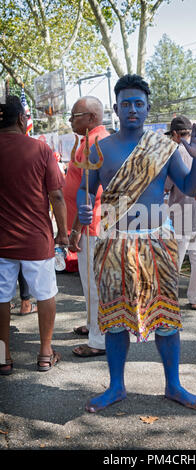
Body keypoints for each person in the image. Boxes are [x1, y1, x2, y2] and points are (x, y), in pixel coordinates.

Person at [77, 74, 196, 412]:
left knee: (166, 318)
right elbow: (85, 187)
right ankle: (116, 386)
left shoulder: (164, 147)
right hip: (114, 243)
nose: (132, 109)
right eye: (126, 104)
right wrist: (83, 204)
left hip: (158, 242)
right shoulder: (100, 148)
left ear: (148, 107)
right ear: (116, 109)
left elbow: (190, 189)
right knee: (115, 318)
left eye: (138, 103)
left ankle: (173, 384)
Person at [0, 95, 68, 375]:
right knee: (45, 294)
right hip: (36, 240)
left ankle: (3, 358)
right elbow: (57, 196)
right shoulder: (41, 149)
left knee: (1, 298)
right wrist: (63, 233)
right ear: (21, 119)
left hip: (1, 243)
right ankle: (44, 353)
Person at [63, 96, 109, 357]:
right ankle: (93, 326)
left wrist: (77, 229)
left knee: (94, 284)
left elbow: (91, 193)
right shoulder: (90, 140)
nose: (71, 120)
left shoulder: (95, 143)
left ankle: (98, 340)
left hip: (92, 225)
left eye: (74, 116)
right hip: (90, 225)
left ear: (91, 118)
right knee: (89, 282)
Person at [165, 116, 196, 310]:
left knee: (176, 258)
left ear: (175, 134)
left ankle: (170, 298)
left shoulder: (175, 153)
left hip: (180, 214)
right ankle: (195, 299)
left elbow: (166, 186)